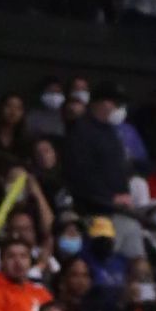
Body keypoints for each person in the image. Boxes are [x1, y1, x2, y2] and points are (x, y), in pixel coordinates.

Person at [62, 82, 132, 216]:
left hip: (116, 207)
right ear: (101, 103)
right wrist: (109, 197)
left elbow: (117, 167)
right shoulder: (81, 131)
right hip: (92, 208)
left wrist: (124, 193)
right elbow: (81, 173)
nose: (120, 109)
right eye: (116, 104)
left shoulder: (110, 131)